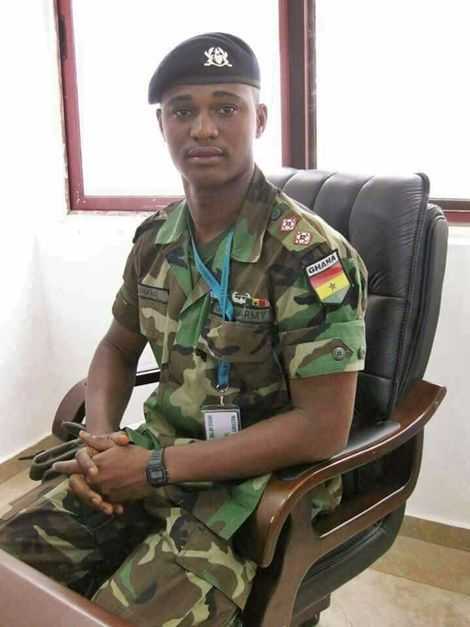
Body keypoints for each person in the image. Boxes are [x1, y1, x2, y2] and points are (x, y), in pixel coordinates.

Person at [0, 33, 367, 626]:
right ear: (162, 125)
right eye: (182, 111)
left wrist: (156, 468)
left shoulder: (308, 256)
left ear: (259, 119)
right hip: (152, 456)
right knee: (10, 572)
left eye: (226, 108)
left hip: (252, 492)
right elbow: (117, 346)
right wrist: (100, 439)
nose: (203, 129)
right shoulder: (156, 239)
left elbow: (323, 427)